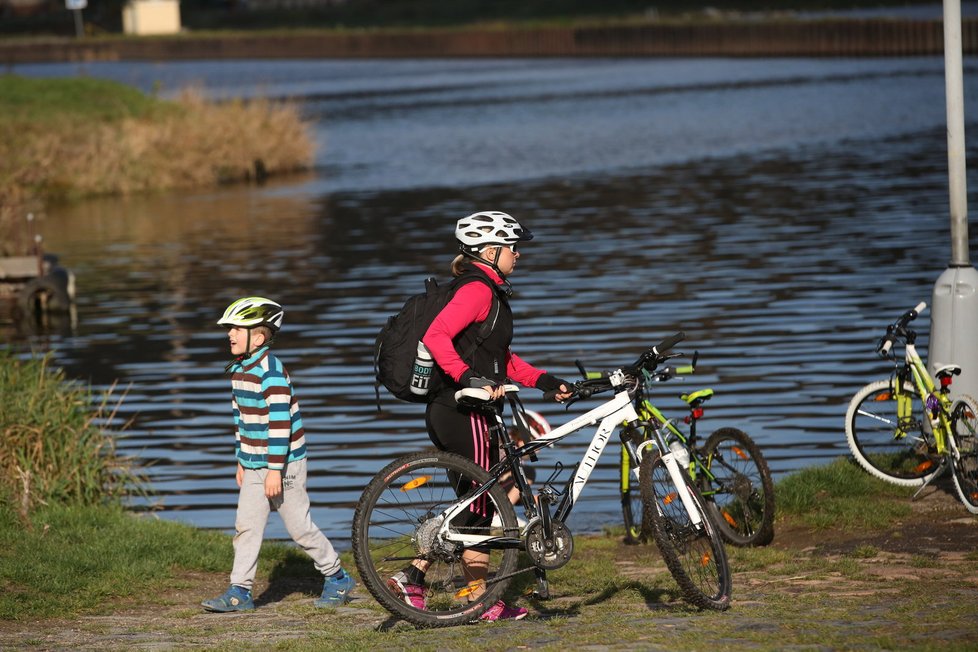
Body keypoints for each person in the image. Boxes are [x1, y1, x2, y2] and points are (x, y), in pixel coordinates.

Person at [387, 211, 571, 622]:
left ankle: (466, 594)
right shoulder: (477, 290)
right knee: (483, 502)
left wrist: (545, 380)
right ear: (491, 251)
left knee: (482, 504)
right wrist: (467, 377)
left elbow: (500, 359)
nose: (518, 255)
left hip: (460, 410)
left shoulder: (488, 291)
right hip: (460, 409)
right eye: (512, 247)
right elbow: (436, 336)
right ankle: (422, 579)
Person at [202, 297, 355, 613]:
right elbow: (241, 418)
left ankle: (337, 576)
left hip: (284, 465)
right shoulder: (239, 370)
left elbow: (280, 423)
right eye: (228, 328)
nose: (229, 333)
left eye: (235, 328)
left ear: (257, 338)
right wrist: (241, 459)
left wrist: (274, 470)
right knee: (246, 526)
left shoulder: (270, 371)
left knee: (299, 527)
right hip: (255, 463)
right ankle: (239, 592)